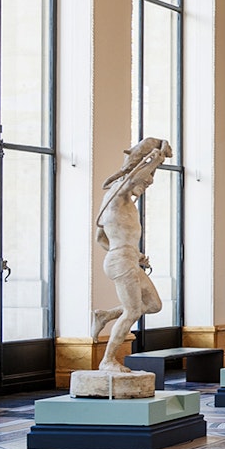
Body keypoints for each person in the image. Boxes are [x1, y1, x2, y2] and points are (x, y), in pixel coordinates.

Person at [90, 138, 173, 372]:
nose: (148, 184)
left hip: (126, 259)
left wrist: (133, 253)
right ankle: (107, 360)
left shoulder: (125, 204)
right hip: (120, 262)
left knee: (153, 305)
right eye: (146, 180)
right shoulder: (117, 195)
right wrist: (157, 157)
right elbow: (131, 178)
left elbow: (100, 238)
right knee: (133, 311)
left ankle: (105, 315)